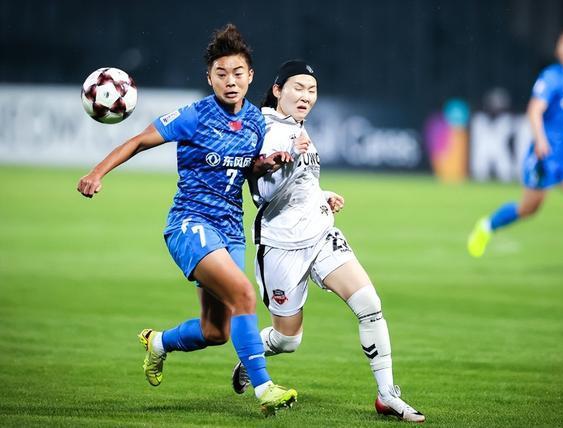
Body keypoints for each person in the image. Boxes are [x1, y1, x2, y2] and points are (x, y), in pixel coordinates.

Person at [76, 24, 297, 416]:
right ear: (209, 78)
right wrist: (97, 172)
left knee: (216, 331)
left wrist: (264, 164)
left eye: (238, 73)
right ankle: (264, 389)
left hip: (230, 230)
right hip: (190, 223)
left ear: (250, 76)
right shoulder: (195, 115)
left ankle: (158, 342)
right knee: (244, 294)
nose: (230, 81)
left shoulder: (254, 122)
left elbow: (244, 169)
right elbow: (138, 141)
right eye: (221, 74)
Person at [230, 60, 425, 423]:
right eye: (298, 88)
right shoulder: (265, 129)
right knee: (288, 340)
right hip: (281, 245)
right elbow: (263, 195)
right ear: (277, 90)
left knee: (369, 304)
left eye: (312, 90)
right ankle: (251, 356)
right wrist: (292, 160)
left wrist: (323, 195)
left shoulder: (296, 126)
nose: (306, 96)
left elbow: (303, 184)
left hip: (321, 234)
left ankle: (387, 395)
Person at [467, 31, 563, 279]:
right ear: (558, 52)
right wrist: (540, 140)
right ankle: (486, 226)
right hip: (546, 155)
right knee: (528, 209)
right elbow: (534, 110)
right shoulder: (551, 77)